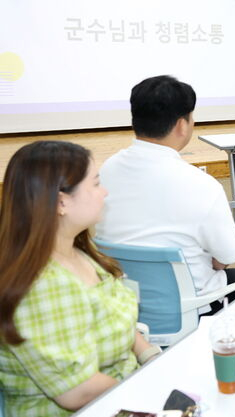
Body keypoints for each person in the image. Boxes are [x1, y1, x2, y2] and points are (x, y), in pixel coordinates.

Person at [0, 141, 159, 416]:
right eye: (96, 184)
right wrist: (152, 391)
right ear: (61, 202)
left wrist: (152, 357)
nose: (105, 192)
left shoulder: (77, 252)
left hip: (118, 394)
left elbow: (113, 317)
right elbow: (77, 392)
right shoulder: (41, 287)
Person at [96, 75, 235, 315]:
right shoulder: (201, 184)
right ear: (182, 125)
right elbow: (227, 256)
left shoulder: (107, 170)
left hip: (124, 301)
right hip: (191, 306)